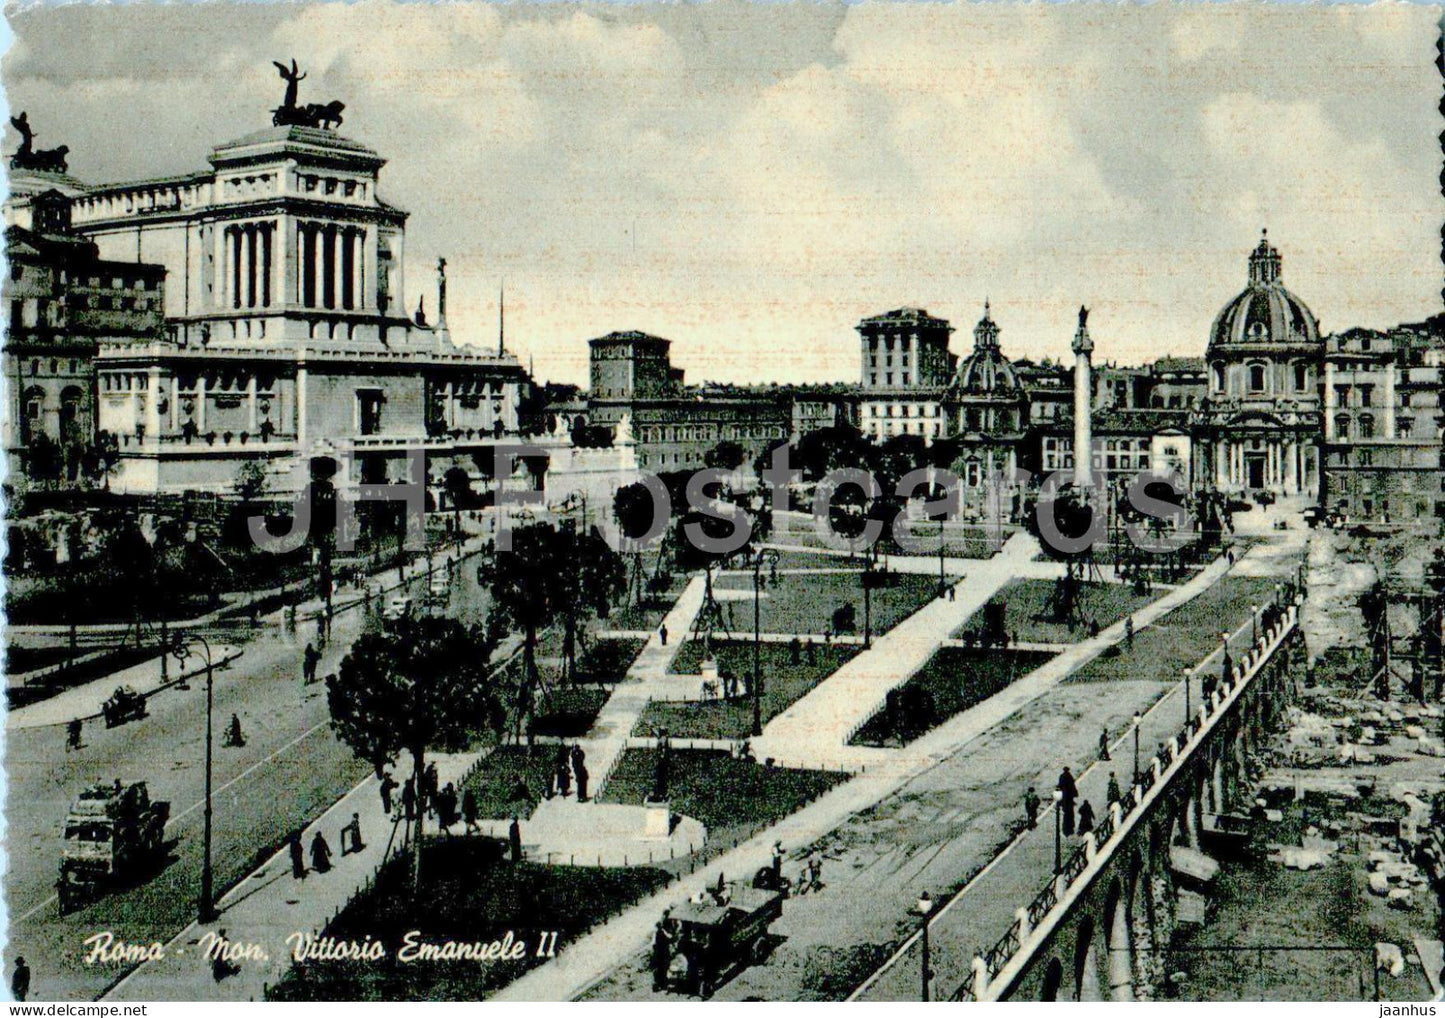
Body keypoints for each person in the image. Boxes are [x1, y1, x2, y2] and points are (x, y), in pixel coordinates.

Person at [651, 912, 675, 991]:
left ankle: (660, 983)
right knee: (664, 968)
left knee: (660, 969)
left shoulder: (656, 933)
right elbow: (669, 938)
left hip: (658, 954)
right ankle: (663, 983)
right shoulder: (662, 933)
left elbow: (654, 945)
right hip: (663, 953)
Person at [1057, 767, 1078, 836]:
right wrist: (1075, 793)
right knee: (1070, 814)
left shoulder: (1062, 776)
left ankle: (1066, 827)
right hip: (1069, 798)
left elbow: (1060, 786)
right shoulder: (1069, 776)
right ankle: (1070, 827)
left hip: (1064, 798)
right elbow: (1072, 786)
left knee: (1066, 814)